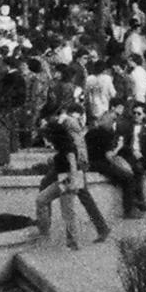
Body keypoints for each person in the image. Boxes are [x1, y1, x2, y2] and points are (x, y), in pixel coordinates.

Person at [33, 101, 113, 249]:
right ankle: (99, 228)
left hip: (70, 168)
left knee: (66, 201)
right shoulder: (63, 124)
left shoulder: (64, 124)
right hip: (69, 166)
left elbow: (71, 147)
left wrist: (75, 170)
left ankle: (52, 232)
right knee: (78, 197)